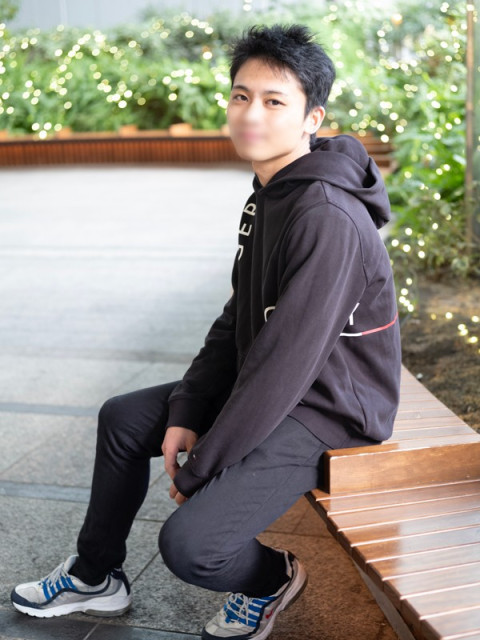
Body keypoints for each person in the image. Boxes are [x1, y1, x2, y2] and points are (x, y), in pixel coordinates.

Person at [11, 24, 401, 640]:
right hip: (279, 379)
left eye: (274, 101)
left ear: (312, 118)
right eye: (241, 96)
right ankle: (95, 575)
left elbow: (283, 364)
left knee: (191, 547)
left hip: (331, 408)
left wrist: (205, 465)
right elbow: (236, 319)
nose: (251, 114)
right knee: (124, 418)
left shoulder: (326, 217)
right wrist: (190, 405)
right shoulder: (270, 191)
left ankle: (271, 579)